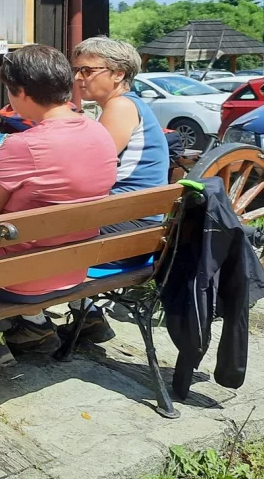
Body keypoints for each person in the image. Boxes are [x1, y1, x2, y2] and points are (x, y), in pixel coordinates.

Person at [0, 44, 118, 368]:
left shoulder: (22, 146)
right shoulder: (100, 133)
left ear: (21, 92)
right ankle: (29, 328)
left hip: (20, 277)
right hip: (75, 267)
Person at [67, 36, 170, 342]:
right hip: (139, 222)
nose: (78, 78)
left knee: (30, 233)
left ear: (118, 74)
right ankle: (86, 315)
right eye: (76, 70)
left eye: (87, 70)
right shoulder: (123, 105)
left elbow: (93, 172)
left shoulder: (120, 106)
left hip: (130, 230)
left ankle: (31, 322)